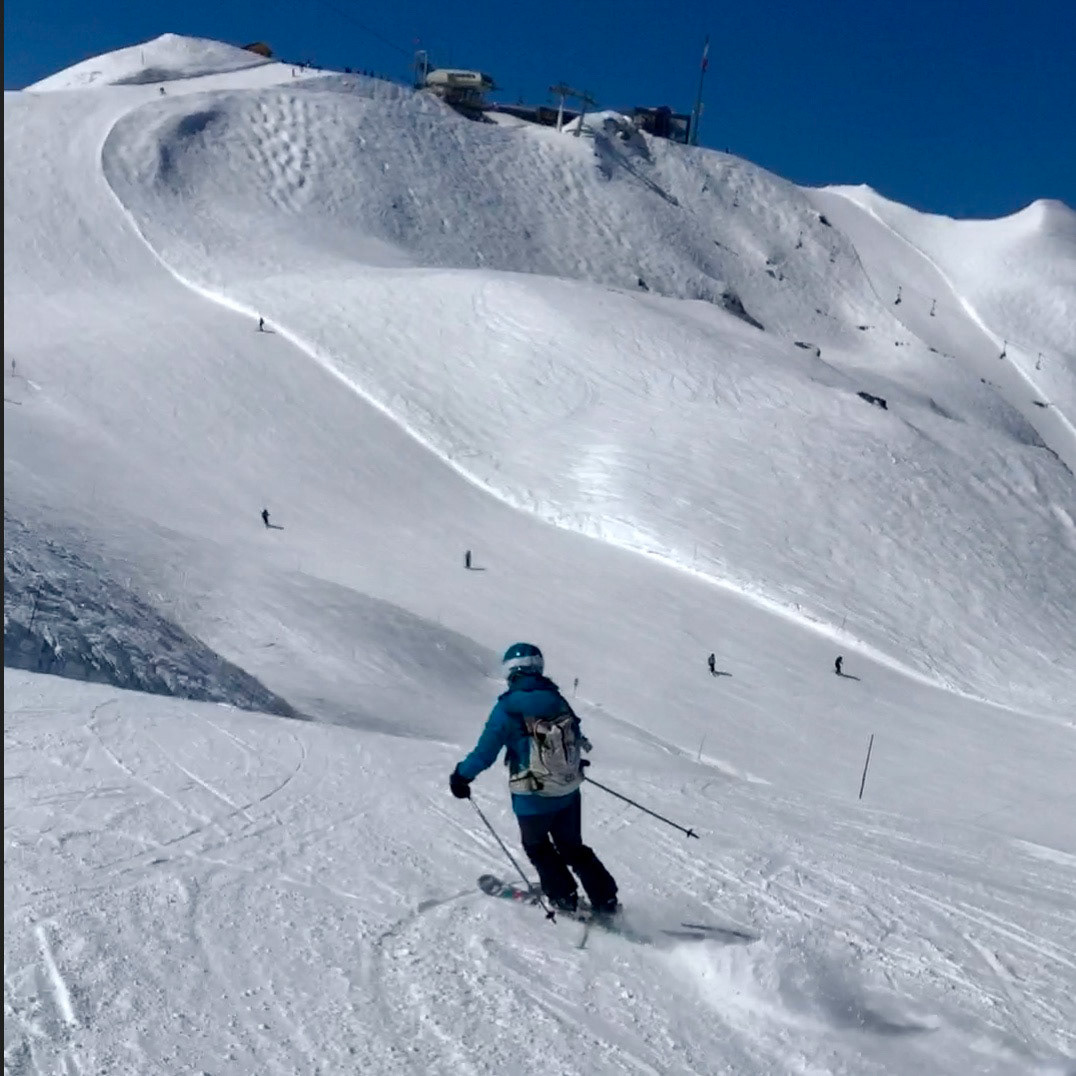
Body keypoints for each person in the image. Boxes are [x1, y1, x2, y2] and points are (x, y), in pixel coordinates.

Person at [450, 643, 618, 915]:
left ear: (510, 671)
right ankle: (606, 899)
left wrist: (461, 776)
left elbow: (485, 752)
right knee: (572, 847)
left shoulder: (507, 708)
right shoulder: (556, 698)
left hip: (532, 795)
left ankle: (565, 899)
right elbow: (574, 736)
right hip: (567, 788)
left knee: (538, 846)